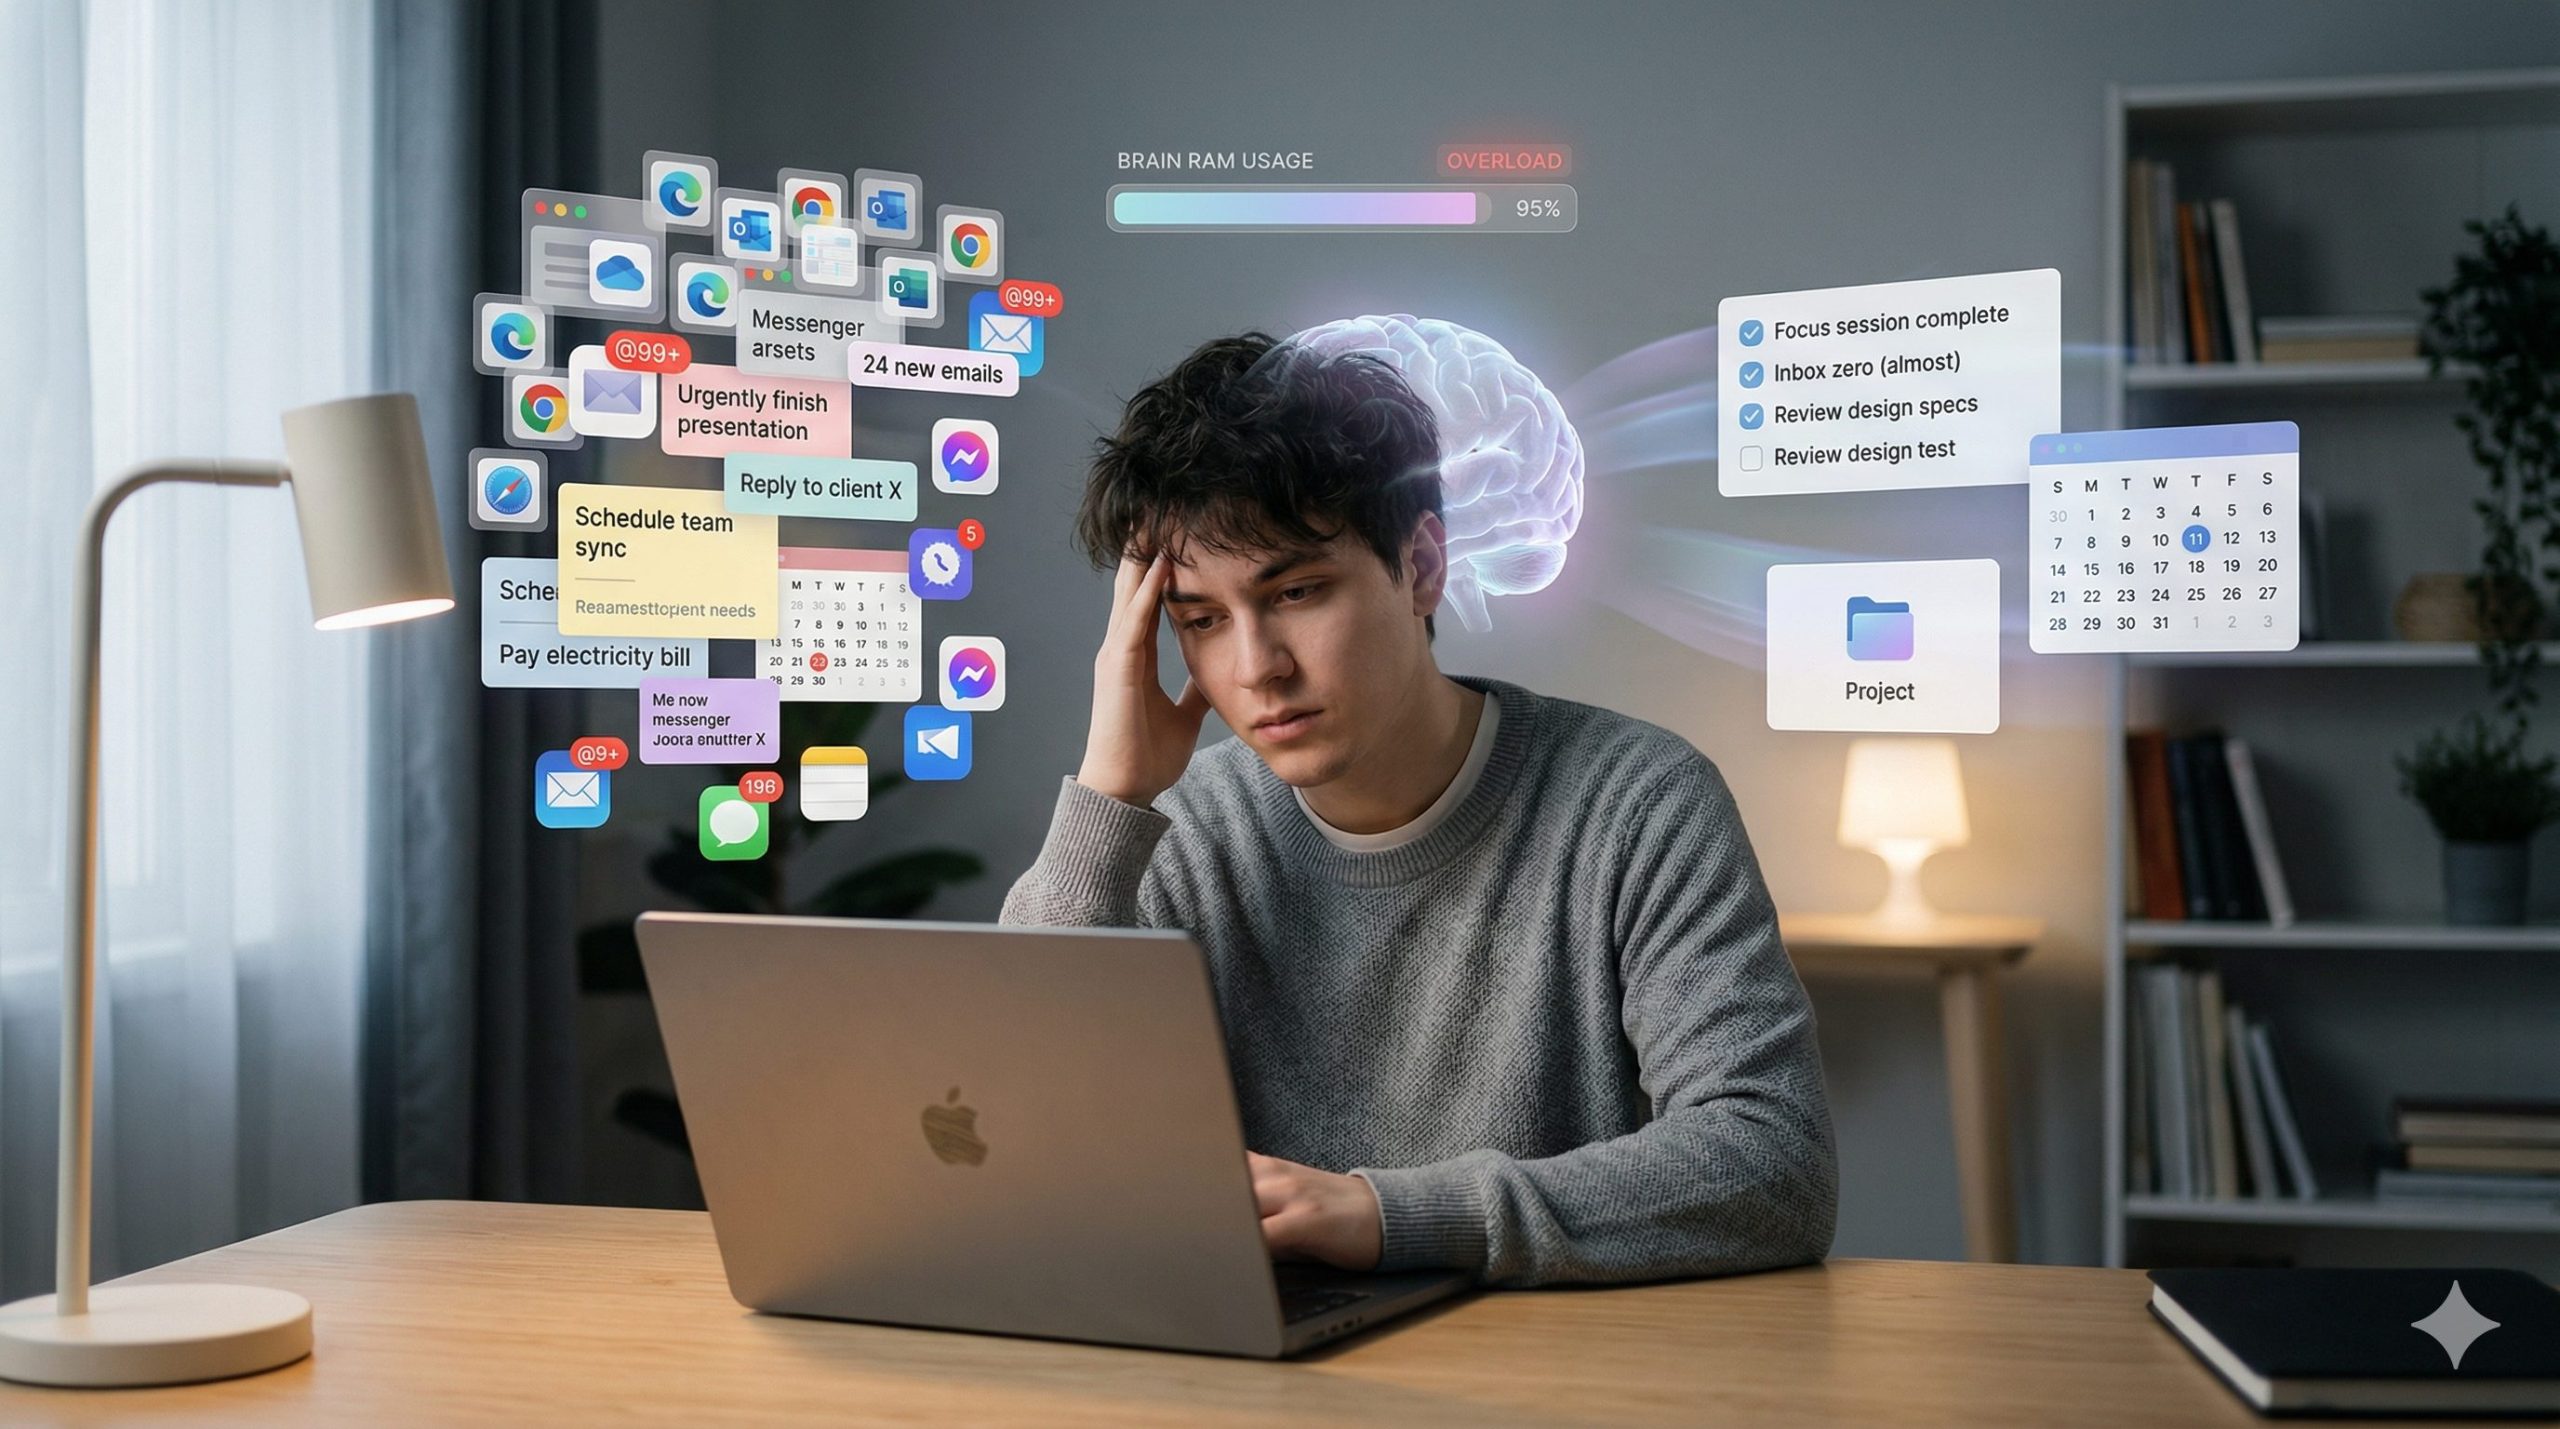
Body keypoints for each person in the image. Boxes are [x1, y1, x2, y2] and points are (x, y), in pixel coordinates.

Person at [1001, 332, 1835, 1287]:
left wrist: (1393, 1215)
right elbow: (1007, 1126)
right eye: (1200, 621)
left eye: (1299, 590)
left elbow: (1772, 1159)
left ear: (1423, 565)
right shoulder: (1180, 834)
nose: (1255, 667)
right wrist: (1108, 799)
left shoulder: (1638, 803)